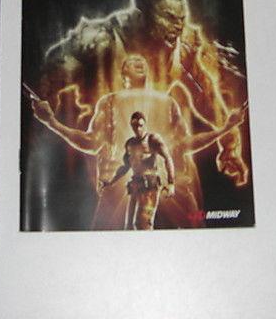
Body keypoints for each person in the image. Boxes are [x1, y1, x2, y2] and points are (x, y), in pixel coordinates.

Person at [37, 0, 248, 187]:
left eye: (181, 19)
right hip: (104, 151)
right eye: (169, 18)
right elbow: (55, 73)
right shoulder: (103, 39)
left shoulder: (182, 49)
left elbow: (208, 99)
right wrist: (49, 103)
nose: (178, 26)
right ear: (145, 15)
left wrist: (230, 147)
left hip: (153, 158)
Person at [29, 54, 247, 228]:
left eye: (141, 60)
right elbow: (92, 143)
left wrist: (225, 128)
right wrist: (51, 122)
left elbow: (185, 144)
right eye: (131, 61)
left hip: (165, 190)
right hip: (123, 191)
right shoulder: (110, 102)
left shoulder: (167, 103)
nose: (139, 61)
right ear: (123, 74)